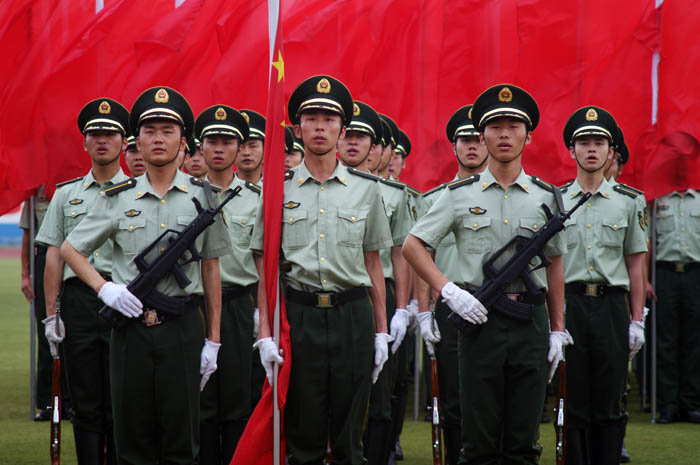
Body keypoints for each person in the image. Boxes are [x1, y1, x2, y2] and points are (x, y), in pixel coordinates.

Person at [60, 87, 231, 465]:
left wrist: (213, 341)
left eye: (167, 131)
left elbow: (211, 267)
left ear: (184, 142)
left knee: (182, 442)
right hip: (130, 332)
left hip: (182, 327)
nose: (158, 138)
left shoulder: (203, 198)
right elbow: (70, 249)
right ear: (136, 140)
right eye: (149, 131)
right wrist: (105, 289)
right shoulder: (118, 196)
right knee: (133, 443)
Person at [403, 84, 569, 465]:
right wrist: (447, 291)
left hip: (530, 321)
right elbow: (413, 245)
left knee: (523, 440)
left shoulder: (547, 196)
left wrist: (557, 328)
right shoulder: (459, 194)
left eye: (513, 126)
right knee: (477, 441)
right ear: (482, 135)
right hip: (479, 322)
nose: (504, 134)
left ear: (529, 135)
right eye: (495, 127)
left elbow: (555, 264)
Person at [251, 75, 393, 465]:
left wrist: (381, 331)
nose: (319, 126)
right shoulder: (277, 190)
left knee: (350, 441)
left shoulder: (366, 189)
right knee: (305, 436)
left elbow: (373, 263)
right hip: (300, 318)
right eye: (310, 118)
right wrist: (265, 333)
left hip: (352, 316)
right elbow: (265, 268)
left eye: (329, 119)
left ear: (342, 129)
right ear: (296, 129)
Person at [36, 98, 130, 464]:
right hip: (79, 303)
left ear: (124, 141)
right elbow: (54, 257)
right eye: (95, 134)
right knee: (86, 399)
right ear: (85, 142)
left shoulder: (138, 191)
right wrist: (50, 315)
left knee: (123, 397)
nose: (102, 140)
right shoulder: (67, 194)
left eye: (110, 134)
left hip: (124, 299)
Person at [559, 106, 647, 465]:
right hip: (571, 304)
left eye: (599, 142)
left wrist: (637, 319)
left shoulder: (630, 201)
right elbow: (551, 264)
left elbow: (636, 263)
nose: (591, 149)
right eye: (584, 143)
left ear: (611, 152)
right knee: (573, 397)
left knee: (611, 397)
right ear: (571, 150)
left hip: (611, 306)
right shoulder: (556, 200)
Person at [338, 100, 412, 464]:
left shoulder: (392, 194)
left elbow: (400, 254)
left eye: (361, 137)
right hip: (337, 292)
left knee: (380, 392)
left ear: (378, 148)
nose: (353, 143)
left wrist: (402, 310)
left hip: (379, 291)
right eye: (348, 135)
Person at [416, 104, 488, 465]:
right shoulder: (433, 201)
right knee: (453, 399)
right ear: (453, 146)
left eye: (477, 139)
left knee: (492, 396)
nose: (472, 146)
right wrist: (423, 313)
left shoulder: (507, 197)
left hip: (495, 304)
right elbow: (418, 257)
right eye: (464, 139)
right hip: (449, 306)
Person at [194, 104, 259, 464]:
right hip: (194, 306)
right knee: (199, 398)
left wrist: (260, 313)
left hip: (238, 305)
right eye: (212, 141)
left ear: (238, 148)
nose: (219, 148)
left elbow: (267, 265)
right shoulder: (185, 196)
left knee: (236, 400)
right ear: (200, 147)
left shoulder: (257, 200)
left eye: (227, 141)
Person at [652, 190, 700, 424]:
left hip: (695, 272)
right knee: (666, 340)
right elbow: (648, 240)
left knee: (694, 340)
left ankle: (690, 403)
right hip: (665, 272)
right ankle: (667, 404)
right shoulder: (658, 199)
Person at [19, 184, 62, 421]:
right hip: (44, 259)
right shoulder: (35, 192)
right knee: (47, 329)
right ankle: (48, 401)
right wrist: (25, 274)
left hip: (73, 258)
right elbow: (28, 234)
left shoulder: (74, 186)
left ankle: (74, 399)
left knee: (77, 331)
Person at [237, 109, 265, 185]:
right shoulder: (219, 190)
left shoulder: (276, 189)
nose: (246, 153)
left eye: (253, 146)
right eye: (241, 146)